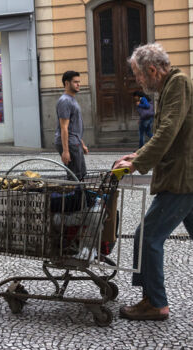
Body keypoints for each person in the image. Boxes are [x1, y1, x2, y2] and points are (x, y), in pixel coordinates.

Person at [113, 43, 193, 321]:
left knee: (147, 236)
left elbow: (168, 130)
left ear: (151, 70)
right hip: (183, 175)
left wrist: (137, 163)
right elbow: (167, 133)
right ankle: (151, 299)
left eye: (138, 75)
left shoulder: (178, 84)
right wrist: (137, 154)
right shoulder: (170, 86)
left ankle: (155, 303)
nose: (138, 81)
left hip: (182, 178)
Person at [55, 71, 88, 180]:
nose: (78, 84)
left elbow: (73, 125)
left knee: (81, 174)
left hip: (75, 141)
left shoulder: (72, 99)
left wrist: (81, 143)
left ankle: (78, 196)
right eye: (75, 82)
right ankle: (74, 197)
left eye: (79, 82)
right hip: (70, 143)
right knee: (75, 177)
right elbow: (64, 127)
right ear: (67, 83)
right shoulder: (64, 101)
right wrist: (65, 151)